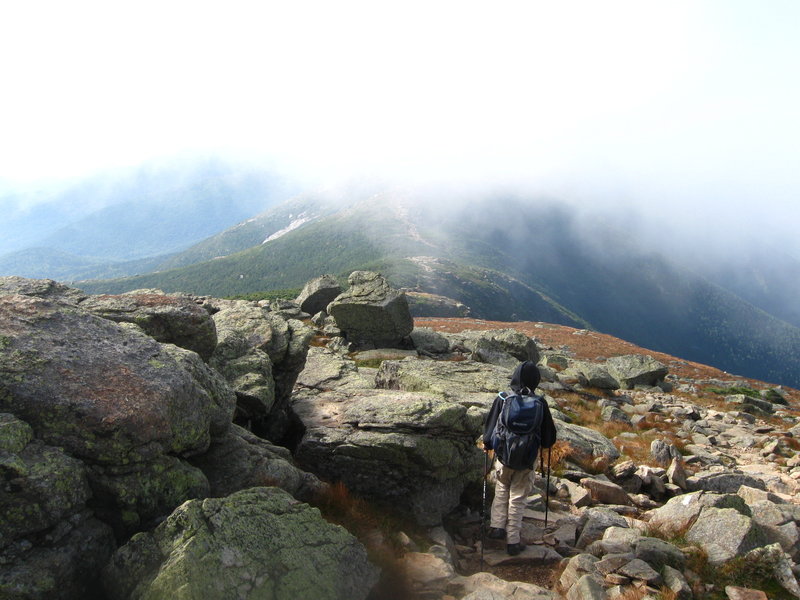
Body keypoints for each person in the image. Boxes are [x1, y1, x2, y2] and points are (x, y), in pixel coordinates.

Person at [482, 360, 557, 555]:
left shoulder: (504, 398)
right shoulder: (540, 403)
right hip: (526, 459)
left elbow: (490, 429)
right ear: (535, 380)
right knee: (517, 497)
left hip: (504, 456)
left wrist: (488, 444)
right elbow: (549, 438)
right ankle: (513, 541)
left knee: (501, 487)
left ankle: (497, 528)